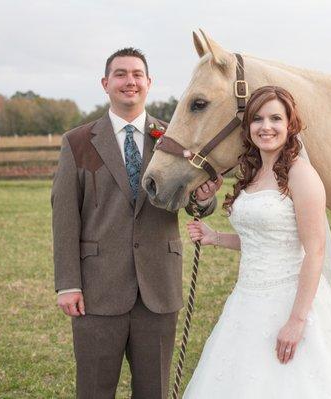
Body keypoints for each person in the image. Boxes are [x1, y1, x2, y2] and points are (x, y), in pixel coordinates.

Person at [184, 86, 331, 398]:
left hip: (291, 300)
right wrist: (216, 238)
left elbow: (314, 251)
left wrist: (296, 321)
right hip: (247, 301)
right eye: (258, 119)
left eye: (275, 118)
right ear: (248, 127)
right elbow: (266, 240)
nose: (266, 127)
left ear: (290, 125)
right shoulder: (252, 174)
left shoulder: (301, 175)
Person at [51, 47, 220, 399]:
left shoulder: (174, 138)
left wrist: (203, 199)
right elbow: (65, 216)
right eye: (121, 74)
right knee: (94, 390)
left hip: (158, 287)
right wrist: (68, 283)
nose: (130, 81)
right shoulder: (77, 142)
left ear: (149, 82)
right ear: (105, 83)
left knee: (153, 391)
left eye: (137, 74)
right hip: (97, 291)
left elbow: (192, 204)